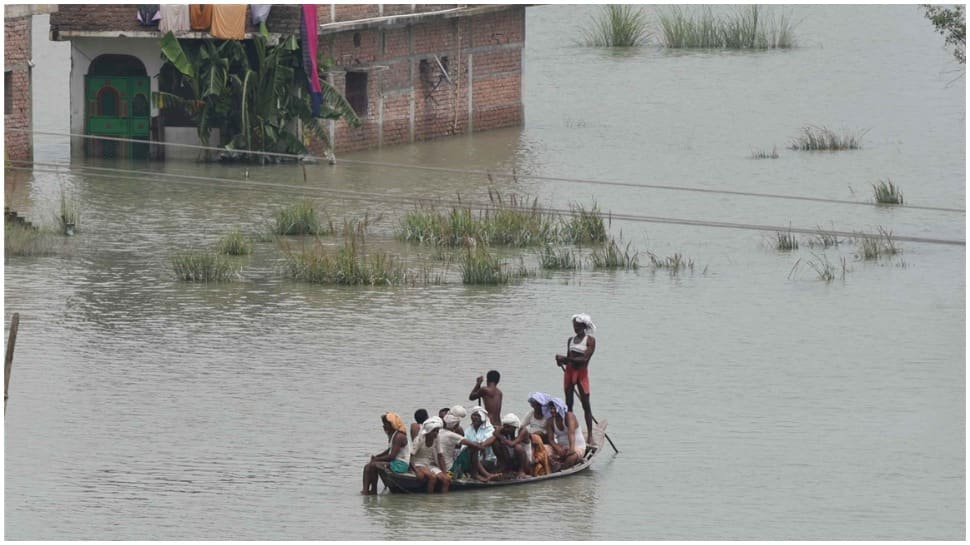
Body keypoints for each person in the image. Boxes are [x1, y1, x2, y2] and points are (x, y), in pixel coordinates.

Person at [555, 313, 596, 442]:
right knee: (569, 405)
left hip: (582, 374)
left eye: (578, 326)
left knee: (586, 404)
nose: (575, 328)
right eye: (574, 326)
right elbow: (569, 361)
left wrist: (565, 358)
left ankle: (590, 435)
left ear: (584, 326)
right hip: (569, 373)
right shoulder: (570, 340)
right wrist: (560, 361)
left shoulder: (590, 341)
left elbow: (584, 359)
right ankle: (570, 433)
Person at [361, 412, 410, 495]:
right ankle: (367, 490)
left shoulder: (399, 436)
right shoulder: (393, 435)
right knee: (368, 466)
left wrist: (377, 459)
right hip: (395, 462)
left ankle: (372, 491)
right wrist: (377, 456)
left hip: (400, 464)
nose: (384, 426)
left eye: (386, 424)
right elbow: (389, 450)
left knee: (373, 465)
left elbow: (392, 456)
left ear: (392, 424)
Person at [411, 416, 451, 493]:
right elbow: (411, 456)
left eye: (437, 431)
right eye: (434, 431)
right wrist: (416, 471)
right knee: (432, 477)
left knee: (446, 480)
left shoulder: (436, 438)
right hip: (418, 464)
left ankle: (444, 502)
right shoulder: (419, 439)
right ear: (428, 431)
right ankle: (429, 501)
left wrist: (444, 472)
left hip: (429, 464)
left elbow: (440, 456)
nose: (436, 433)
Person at [545, 397, 586, 470]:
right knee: (544, 449)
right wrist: (559, 449)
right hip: (561, 447)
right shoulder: (550, 421)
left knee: (571, 458)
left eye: (554, 409)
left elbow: (571, 433)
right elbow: (550, 439)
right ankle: (556, 463)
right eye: (551, 409)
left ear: (560, 408)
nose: (552, 411)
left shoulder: (569, 416)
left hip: (576, 446)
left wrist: (571, 450)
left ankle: (561, 468)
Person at [439, 412, 483, 479]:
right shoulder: (451, 435)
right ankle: (475, 474)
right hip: (450, 469)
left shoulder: (439, 431)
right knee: (473, 448)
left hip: (440, 467)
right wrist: (482, 447)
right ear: (455, 426)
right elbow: (473, 445)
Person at [464, 406, 500, 481]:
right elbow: (464, 444)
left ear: (482, 418)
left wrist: (477, 445)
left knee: (475, 449)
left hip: (487, 460)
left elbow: (486, 442)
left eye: (477, 416)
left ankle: (486, 475)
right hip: (471, 459)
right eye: (473, 415)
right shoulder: (469, 429)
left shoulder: (489, 429)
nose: (475, 417)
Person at [494, 413, 533, 479]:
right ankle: (504, 467)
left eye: (508, 427)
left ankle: (521, 471)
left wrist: (501, 437)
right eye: (505, 426)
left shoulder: (523, 431)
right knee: (496, 443)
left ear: (514, 427)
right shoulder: (504, 429)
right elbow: (495, 433)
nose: (505, 429)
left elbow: (512, 444)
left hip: (525, 462)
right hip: (511, 459)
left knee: (518, 447)